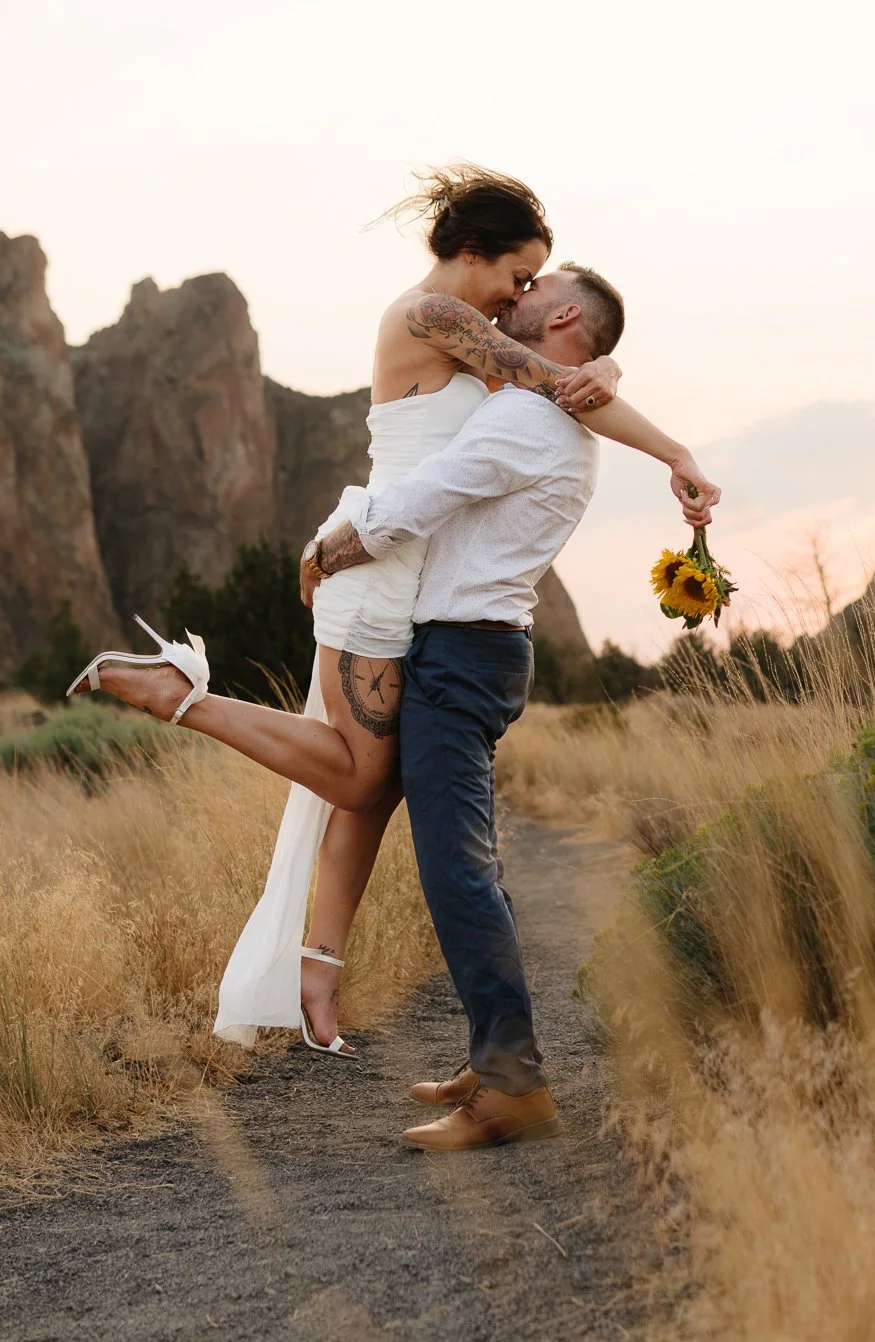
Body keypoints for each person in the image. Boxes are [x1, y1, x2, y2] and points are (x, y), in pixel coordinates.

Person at [67, 167, 719, 1062]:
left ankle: (315, 977)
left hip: (408, 574)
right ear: (474, 252)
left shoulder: (472, 331)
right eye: (517, 276)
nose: (519, 296)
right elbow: (556, 381)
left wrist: (605, 364)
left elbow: (556, 379)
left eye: (533, 287)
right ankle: (181, 695)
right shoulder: (432, 317)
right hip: (373, 564)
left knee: (372, 789)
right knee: (359, 779)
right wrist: (665, 438)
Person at [300, 265, 716, 1149]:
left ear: (562, 315)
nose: (512, 296)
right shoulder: (548, 408)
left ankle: (511, 1088)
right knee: (471, 862)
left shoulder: (530, 419)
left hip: (460, 654)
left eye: (537, 285)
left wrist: (330, 552)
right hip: (476, 650)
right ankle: (495, 1051)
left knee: (455, 870)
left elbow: (422, 498)